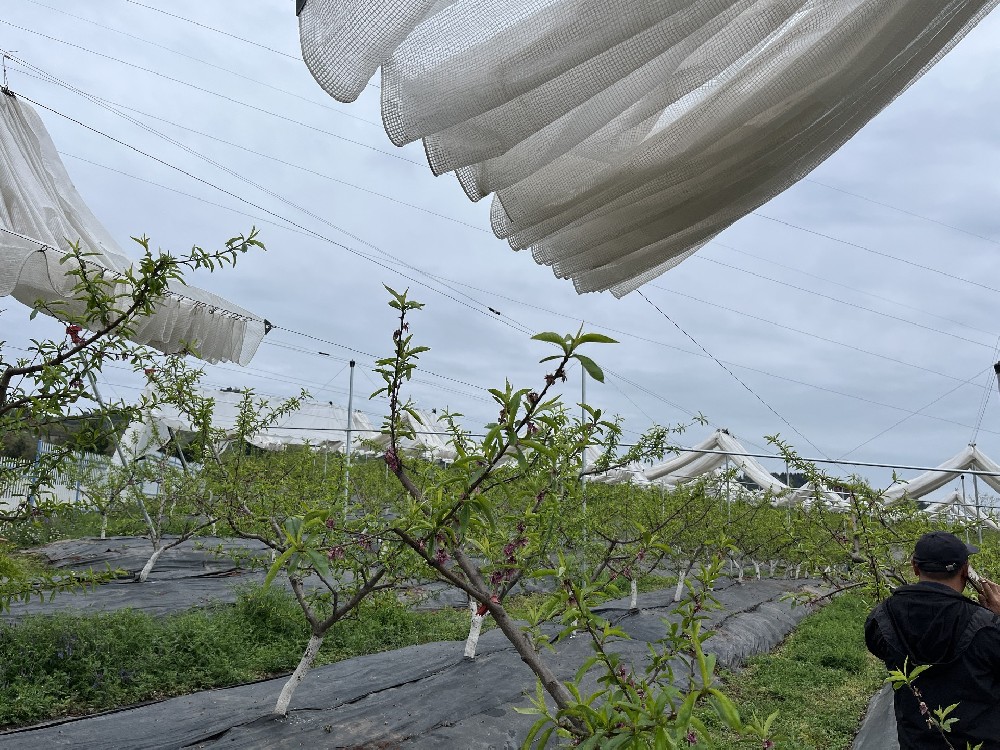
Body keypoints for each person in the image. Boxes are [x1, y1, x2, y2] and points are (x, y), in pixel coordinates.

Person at [866, 531, 1000, 749]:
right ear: (965, 571)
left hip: (916, 742)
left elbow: (881, 650)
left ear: (915, 567)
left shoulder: (881, 618)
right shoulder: (987, 625)